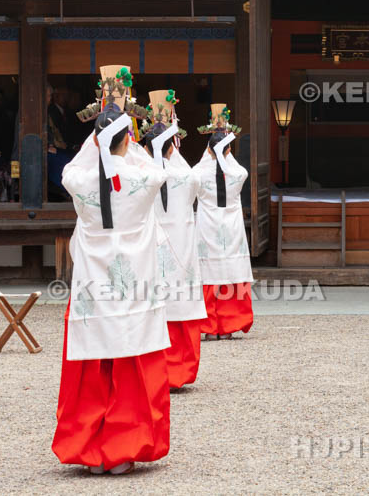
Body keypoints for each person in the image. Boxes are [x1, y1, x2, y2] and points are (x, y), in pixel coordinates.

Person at [53, 93, 171, 476]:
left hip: (92, 287)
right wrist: (124, 138)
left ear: (95, 142)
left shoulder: (80, 182)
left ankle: (89, 448)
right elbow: (154, 168)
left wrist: (101, 133)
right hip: (133, 284)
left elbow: (72, 168)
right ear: (128, 141)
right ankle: (125, 447)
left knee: (93, 365)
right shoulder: (143, 178)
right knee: (131, 362)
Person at [141, 90, 207, 389]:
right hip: (180, 242)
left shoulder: (139, 172)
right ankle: (179, 371)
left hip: (150, 245)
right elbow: (195, 187)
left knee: (153, 305)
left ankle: (153, 370)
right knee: (181, 305)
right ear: (173, 145)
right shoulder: (185, 173)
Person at [194, 103, 253, 340]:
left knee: (208, 274)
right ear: (228, 150)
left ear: (209, 150)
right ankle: (229, 325)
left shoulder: (198, 173)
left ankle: (209, 326)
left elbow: (194, 173)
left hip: (207, 226)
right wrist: (224, 153)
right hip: (231, 227)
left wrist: (211, 154)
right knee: (231, 271)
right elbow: (237, 169)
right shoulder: (238, 174)